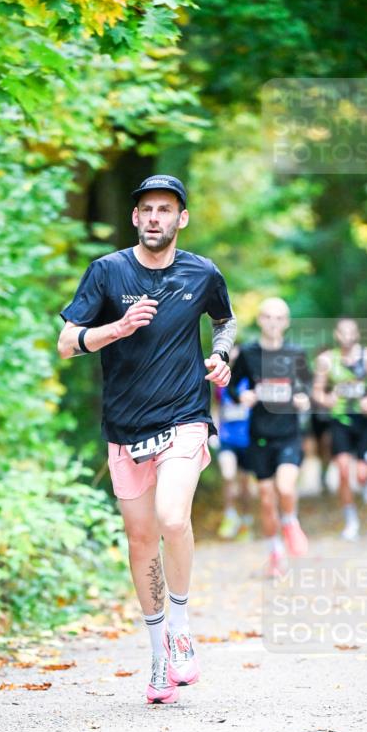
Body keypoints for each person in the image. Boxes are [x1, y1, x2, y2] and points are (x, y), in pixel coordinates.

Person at [57, 174, 236, 703]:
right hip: (125, 427)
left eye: (166, 209)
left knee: (172, 518)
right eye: (147, 209)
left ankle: (179, 627)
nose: (155, 217)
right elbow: (68, 342)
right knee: (141, 542)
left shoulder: (202, 273)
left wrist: (221, 356)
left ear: (181, 218)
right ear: (135, 218)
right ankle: (159, 656)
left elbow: (225, 322)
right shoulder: (108, 272)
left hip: (183, 416)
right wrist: (117, 328)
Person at [227, 298, 311, 578]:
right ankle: (275, 553)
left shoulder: (296, 353)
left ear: (286, 323)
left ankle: (290, 521)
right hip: (260, 435)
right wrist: (243, 395)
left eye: (279, 318)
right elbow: (231, 387)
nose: (273, 323)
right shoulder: (249, 353)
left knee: (285, 488)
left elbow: (306, 386)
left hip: (288, 434)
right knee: (265, 498)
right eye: (268, 317)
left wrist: (302, 398)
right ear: (260, 320)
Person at [312, 319, 367, 540]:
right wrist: (327, 399)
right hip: (341, 420)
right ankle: (351, 520)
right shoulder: (326, 360)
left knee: (361, 474)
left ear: (357, 334)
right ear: (336, 335)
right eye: (342, 332)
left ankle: (366, 481)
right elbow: (317, 392)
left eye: (351, 332)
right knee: (344, 471)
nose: (347, 336)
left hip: (366, 420)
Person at [210, 348, 254, 541]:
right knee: (228, 476)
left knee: (245, 485)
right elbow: (216, 408)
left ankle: (246, 519)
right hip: (227, 439)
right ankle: (229, 515)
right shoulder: (221, 384)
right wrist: (213, 432)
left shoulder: (250, 382)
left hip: (247, 440)